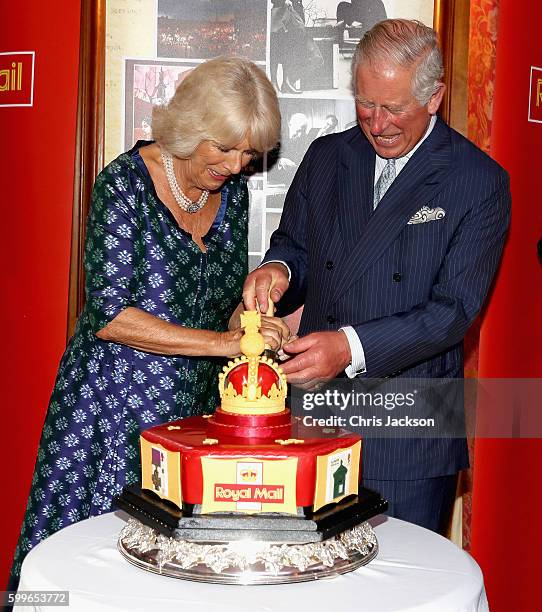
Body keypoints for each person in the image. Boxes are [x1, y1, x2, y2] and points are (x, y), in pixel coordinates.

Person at [9, 56, 287, 590]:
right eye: (224, 148)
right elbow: (110, 315)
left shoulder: (233, 194)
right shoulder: (124, 186)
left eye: (249, 153)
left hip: (193, 422)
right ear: (189, 126)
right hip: (110, 413)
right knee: (86, 574)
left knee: (177, 578)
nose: (235, 164)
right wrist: (225, 342)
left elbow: (220, 302)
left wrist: (253, 321)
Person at [243, 20, 511, 533]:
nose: (377, 123)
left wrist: (347, 348)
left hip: (408, 429)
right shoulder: (327, 157)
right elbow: (294, 246)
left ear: (433, 97)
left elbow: (450, 312)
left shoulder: (478, 182)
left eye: (394, 108)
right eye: (366, 104)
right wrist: (277, 271)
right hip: (314, 416)